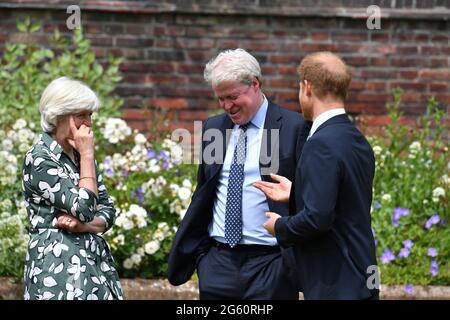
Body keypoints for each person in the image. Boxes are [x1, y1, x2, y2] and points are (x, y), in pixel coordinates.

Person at [167, 48, 311, 299]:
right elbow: (205, 190)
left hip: (271, 264)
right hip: (217, 263)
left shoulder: (292, 127)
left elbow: (309, 194)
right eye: (220, 99)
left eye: (232, 96)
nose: (227, 106)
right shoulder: (215, 127)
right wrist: (205, 257)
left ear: (255, 84)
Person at [255, 51, 379, 300]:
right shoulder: (356, 139)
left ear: (307, 87)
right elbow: (345, 200)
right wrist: (297, 193)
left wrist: (279, 226)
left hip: (335, 283)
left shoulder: (320, 143)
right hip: (360, 278)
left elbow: (317, 219)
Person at [22, 77, 123, 300]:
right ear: (58, 116)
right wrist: (88, 156)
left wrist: (84, 227)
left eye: (90, 115)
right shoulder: (40, 158)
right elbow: (86, 207)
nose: (88, 123)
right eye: (81, 115)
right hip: (57, 269)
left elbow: (108, 210)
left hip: (92, 268)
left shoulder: (79, 156)